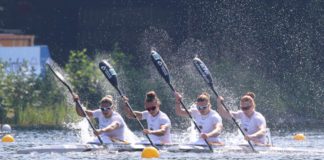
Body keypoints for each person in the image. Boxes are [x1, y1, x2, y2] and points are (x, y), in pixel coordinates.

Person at [73, 94, 138, 144]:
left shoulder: (117, 117)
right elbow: (81, 113)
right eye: (102, 109)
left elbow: (112, 127)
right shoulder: (99, 112)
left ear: (112, 108)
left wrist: (101, 131)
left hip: (119, 142)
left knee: (104, 139)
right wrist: (77, 102)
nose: (105, 111)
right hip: (105, 140)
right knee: (93, 141)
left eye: (107, 108)